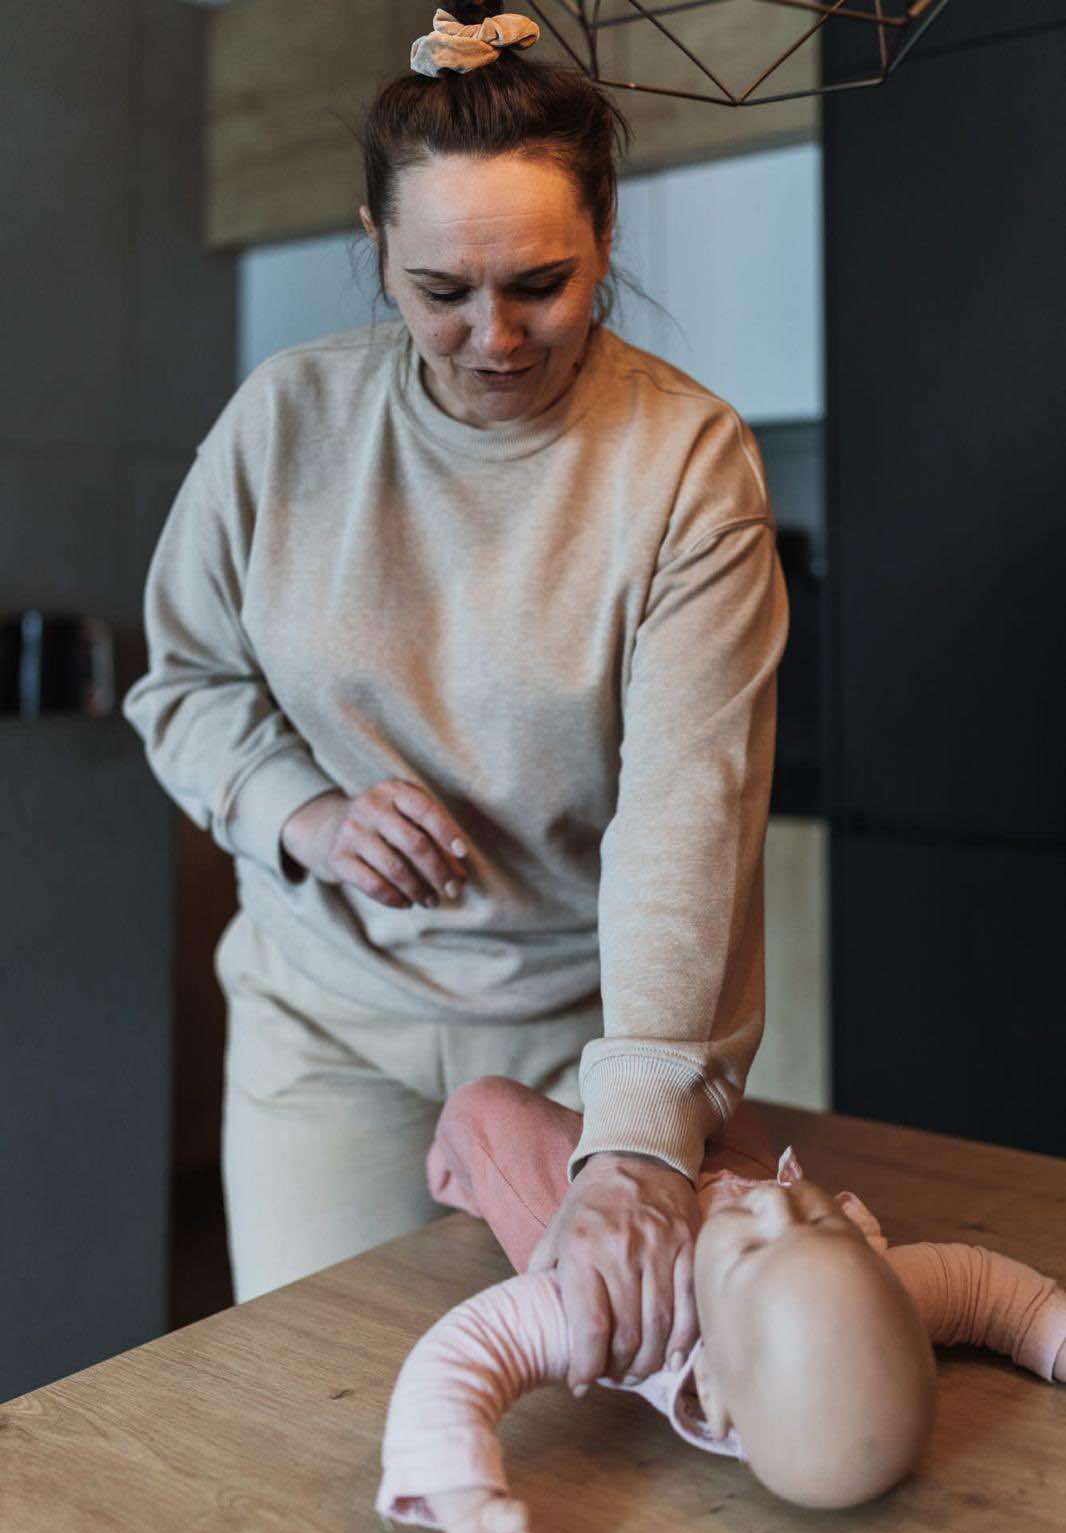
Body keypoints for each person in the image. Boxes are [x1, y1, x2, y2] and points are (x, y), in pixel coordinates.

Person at [122, 0, 789, 1392]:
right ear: (376, 250)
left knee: (596, 1419)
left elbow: (689, 809)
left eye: (541, 283)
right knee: (317, 1415)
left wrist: (637, 1140)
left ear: (605, 234)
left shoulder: (684, 463)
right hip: (324, 1027)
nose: (494, 337)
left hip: (580, 1039)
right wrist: (300, 812)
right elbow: (184, 681)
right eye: (440, 292)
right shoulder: (283, 423)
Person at [376, 1077, 1066, 1533]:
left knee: (487, 1110)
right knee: (725, 1099)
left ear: (708, 1383)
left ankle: (462, 1174)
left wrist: (463, 1493)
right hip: (709, 1159)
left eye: (753, 1249)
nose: (773, 1206)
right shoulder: (885, 1290)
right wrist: (1054, 1335)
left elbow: (464, 1354)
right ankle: (621, 1094)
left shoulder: (628, 1318)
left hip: (596, 1226)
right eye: (817, 1222)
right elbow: (981, 1290)